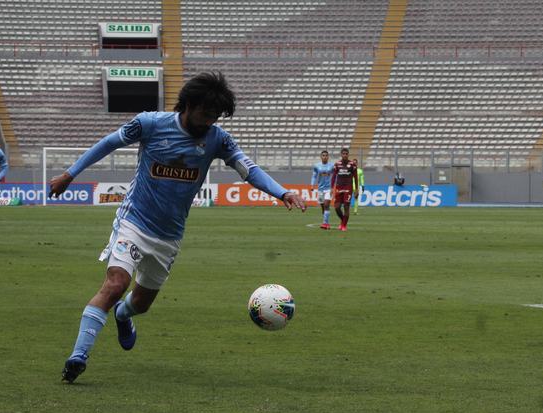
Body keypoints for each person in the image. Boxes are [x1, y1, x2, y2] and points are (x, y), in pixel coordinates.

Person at [49, 71, 306, 383]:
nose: (209, 121)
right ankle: (78, 356)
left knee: (140, 304)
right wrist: (70, 174)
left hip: (169, 236)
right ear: (188, 105)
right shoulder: (150, 124)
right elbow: (108, 143)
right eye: (206, 113)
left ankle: (123, 315)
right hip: (134, 221)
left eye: (215, 116)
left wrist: (282, 192)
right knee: (116, 285)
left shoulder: (218, 139)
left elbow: (248, 169)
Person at [330, 147, 358, 231]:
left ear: (348, 155)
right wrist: (332, 188)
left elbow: (356, 178)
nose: (345, 155)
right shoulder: (337, 164)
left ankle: (344, 226)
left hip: (348, 187)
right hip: (339, 187)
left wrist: (356, 189)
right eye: (343, 154)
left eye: (346, 154)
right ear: (341, 155)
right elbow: (334, 176)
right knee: (337, 207)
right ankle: (343, 221)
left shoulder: (352, 164)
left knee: (346, 206)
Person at [310, 150, 334, 229]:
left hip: (328, 188)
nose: (325, 157)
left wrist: (334, 186)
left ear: (328, 157)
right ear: (321, 157)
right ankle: (325, 222)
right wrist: (312, 185)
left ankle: (325, 224)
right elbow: (314, 176)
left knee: (327, 205)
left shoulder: (332, 166)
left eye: (326, 155)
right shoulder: (317, 166)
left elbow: (335, 175)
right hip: (320, 189)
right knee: (323, 207)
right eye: (323, 155)